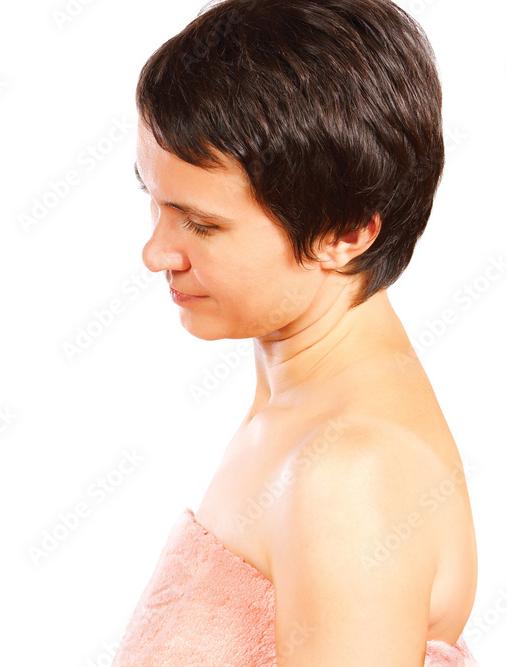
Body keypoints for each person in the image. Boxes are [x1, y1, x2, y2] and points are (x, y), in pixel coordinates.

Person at [115, 0, 479, 665]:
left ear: (347, 232)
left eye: (202, 224)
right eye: (155, 201)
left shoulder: (352, 476)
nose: (155, 252)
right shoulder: (298, 409)